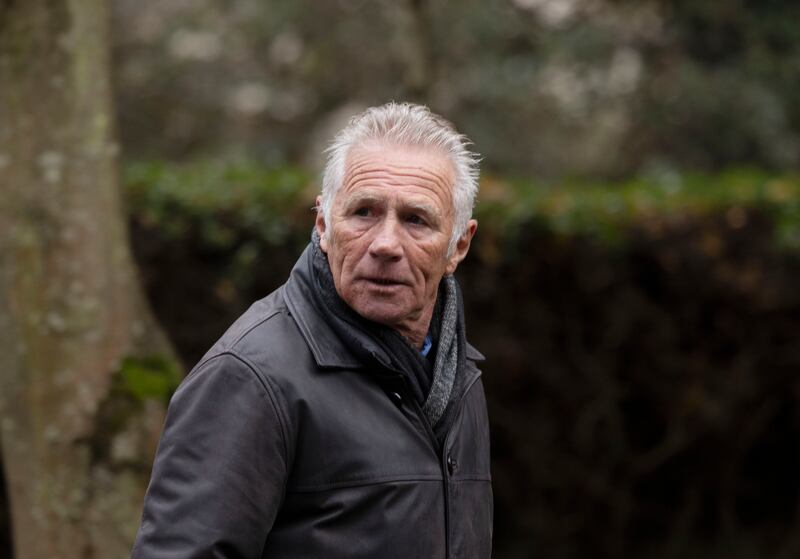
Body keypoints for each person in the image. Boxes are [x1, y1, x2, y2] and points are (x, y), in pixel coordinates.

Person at [131, 102, 492, 558]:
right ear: (323, 223)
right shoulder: (250, 377)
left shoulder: (459, 374)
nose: (384, 244)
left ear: (459, 244)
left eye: (416, 220)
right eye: (363, 212)